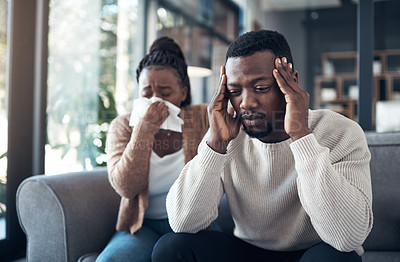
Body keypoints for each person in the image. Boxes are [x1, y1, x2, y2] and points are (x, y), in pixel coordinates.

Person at [152, 30, 373, 262]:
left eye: (260, 88)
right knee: (172, 247)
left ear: (291, 83)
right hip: (247, 251)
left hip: (312, 253)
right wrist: (215, 145)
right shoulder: (226, 136)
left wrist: (300, 136)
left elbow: (348, 237)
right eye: (235, 92)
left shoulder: (340, 132)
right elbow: (183, 222)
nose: (246, 102)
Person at [96, 36, 209, 262]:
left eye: (165, 93)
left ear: (183, 93)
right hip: (141, 227)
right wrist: (144, 129)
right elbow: (126, 187)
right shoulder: (123, 126)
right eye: (147, 93)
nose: (155, 100)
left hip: (192, 226)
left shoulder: (200, 118)